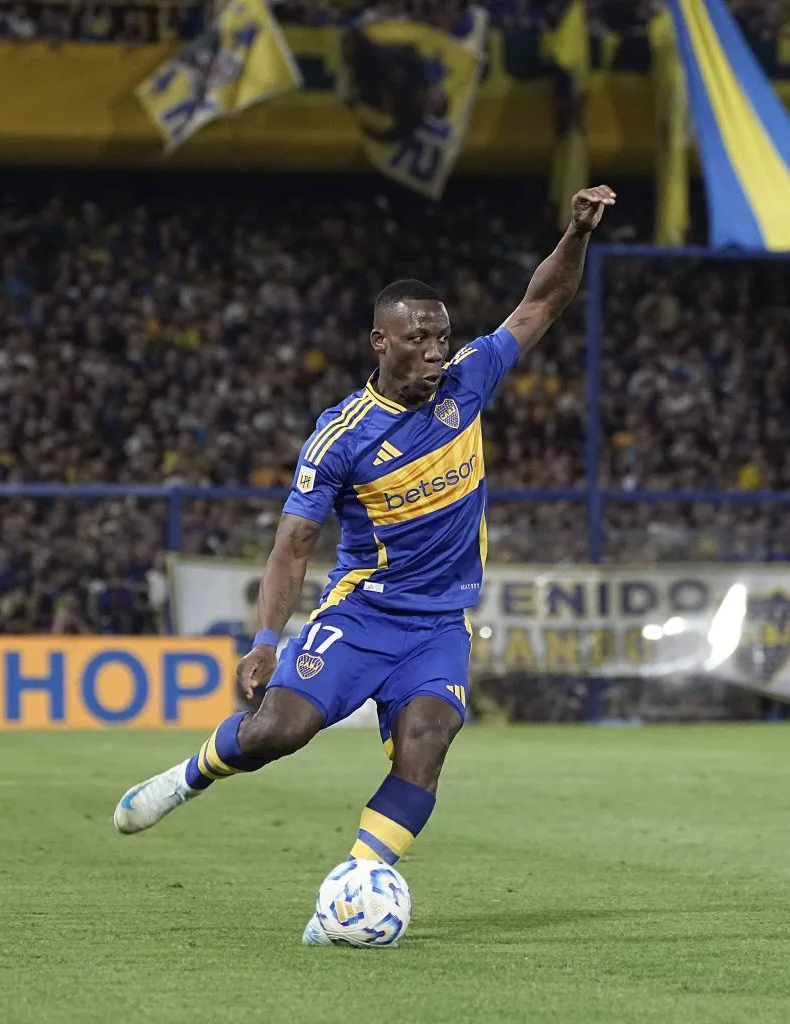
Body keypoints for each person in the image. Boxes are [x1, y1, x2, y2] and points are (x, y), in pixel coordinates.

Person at [112, 185, 617, 943]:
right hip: (363, 613)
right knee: (277, 731)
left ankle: (353, 890)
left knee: (428, 739)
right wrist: (264, 641)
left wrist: (575, 233)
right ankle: (187, 778)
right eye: (418, 338)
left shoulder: (468, 381)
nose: (435, 351)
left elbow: (540, 303)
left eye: (441, 336)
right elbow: (292, 546)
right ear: (380, 341)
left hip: (438, 624)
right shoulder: (341, 437)